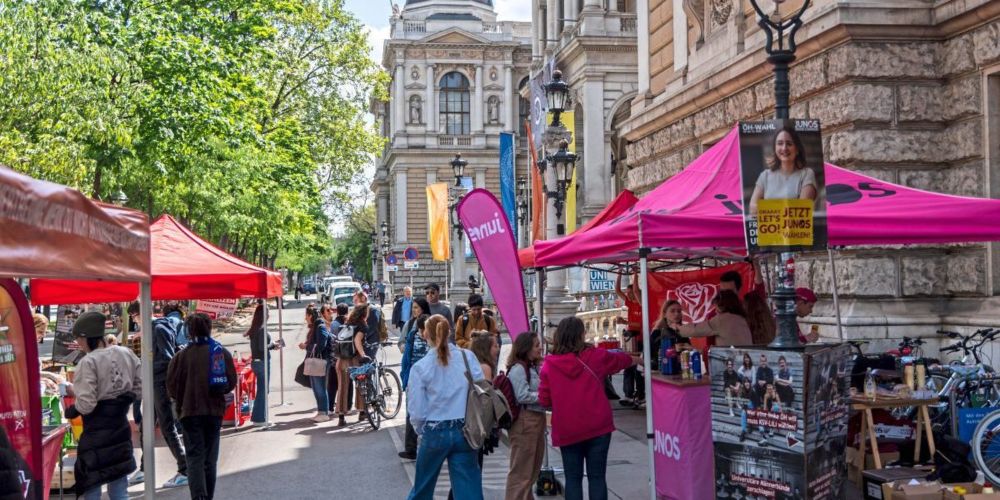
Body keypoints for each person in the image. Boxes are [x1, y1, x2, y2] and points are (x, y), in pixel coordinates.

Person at [539, 316, 638, 500]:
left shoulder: (549, 365)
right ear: (581, 335)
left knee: (573, 479)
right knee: (597, 477)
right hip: (597, 425)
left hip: (567, 427)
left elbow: (544, 400)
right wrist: (637, 360)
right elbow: (620, 360)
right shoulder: (596, 356)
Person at [405, 314, 485, 500]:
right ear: (449, 331)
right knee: (468, 489)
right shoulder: (467, 357)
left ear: (426, 335)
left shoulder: (421, 367)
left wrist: (420, 430)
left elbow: (416, 409)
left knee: (422, 487)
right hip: (464, 427)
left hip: (435, 429)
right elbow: (481, 388)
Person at [63, 311, 141, 500]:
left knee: (92, 485)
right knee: (119, 489)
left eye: (79, 338)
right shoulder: (125, 352)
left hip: (96, 434)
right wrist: (121, 399)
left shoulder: (88, 362)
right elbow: (139, 387)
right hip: (120, 429)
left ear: (88, 337)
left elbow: (87, 404)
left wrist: (72, 410)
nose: (79, 343)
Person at [166, 313, 237, 500]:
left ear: (189, 331)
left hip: (189, 412)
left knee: (194, 458)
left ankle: (198, 497)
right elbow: (230, 383)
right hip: (214, 412)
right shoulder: (220, 352)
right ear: (210, 328)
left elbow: (171, 387)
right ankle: (209, 496)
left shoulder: (180, 356)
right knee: (209, 460)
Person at [504, 333, 546, 500]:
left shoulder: (531, 367)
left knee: (531, 470)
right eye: (536, 345)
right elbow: (522, 395)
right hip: (525, 422)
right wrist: (544, 397)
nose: (540, 348)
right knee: (522, 471)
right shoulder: (519, 369)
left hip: (535, 420)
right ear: (526, 348)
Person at [151, 302, 188, 488]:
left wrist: (147, 367)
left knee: (167, 426)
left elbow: (165, 358)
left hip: (160, 381)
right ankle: (186, 466)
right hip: (173, 380)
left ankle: (185, 467)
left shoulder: (158, 327)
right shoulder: (177, 324)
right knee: (168, 424)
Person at [749, 124, 817, 216]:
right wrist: (788, 207)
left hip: (796, 230)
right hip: (770, 229)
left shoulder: (806, 174)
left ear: (797, 149)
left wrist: (766, 208)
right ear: (775, 148)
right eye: (780, 143)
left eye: (789, 144)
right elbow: (752, 208)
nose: (784, 148)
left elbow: (802, 209)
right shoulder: (764, 176)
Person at [399, 314, 431, 460]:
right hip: (414, 379)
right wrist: (405, 378)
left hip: (430, 381)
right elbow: (406, 357)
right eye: (423, 329)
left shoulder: (433, 340)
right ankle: (410, 449)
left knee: (429, 414)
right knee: (411, 413)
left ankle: (430, 449)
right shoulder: (412, 336)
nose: (425, 332)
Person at [244, 300, 279, 426]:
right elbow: (262, 347)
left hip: (256, 362)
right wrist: (272, 345)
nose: (269, 316)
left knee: (261, 390)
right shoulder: (261, 329)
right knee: (263, 391)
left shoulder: (255, 328)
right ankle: (259, 418)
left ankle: (259, 416)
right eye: (268, 313)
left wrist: (270, 345)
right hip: (262, 362)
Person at [677, 290, 752, 347]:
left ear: (723, 306)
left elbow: (695, 330)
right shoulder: (742, 318)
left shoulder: (722, 319)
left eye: (716, 307)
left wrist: (677, 329)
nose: (715, 311)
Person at [335, 303, 369, 426]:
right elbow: (357, 340)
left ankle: (341, 417)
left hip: (341, 360)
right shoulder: (362, 325)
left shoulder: (347, 323)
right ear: (364, 314)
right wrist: (363, 355)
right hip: (355, 360)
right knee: (360, 385)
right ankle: (361, 412)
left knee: (342, 387)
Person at [305, 305, 334, 422]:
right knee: (317, 387)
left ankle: (324, 413)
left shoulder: (320, 326)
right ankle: (321, 411)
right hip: (318, 360)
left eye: (306, 315)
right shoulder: (317, 326)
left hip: (321, 360)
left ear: (311, 316)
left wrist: (309, 347)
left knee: (320, 387)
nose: (305, 318)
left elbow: (322, 343)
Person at [353, 291, 386, 359]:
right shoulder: (360, 310)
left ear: (362, 298)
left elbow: (372, 327)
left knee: (368, 362)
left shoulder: (372, 310)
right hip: (364, 341)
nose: (354, 303)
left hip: (372, 341)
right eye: (354, 301)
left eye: (356, 300)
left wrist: (361, 335)